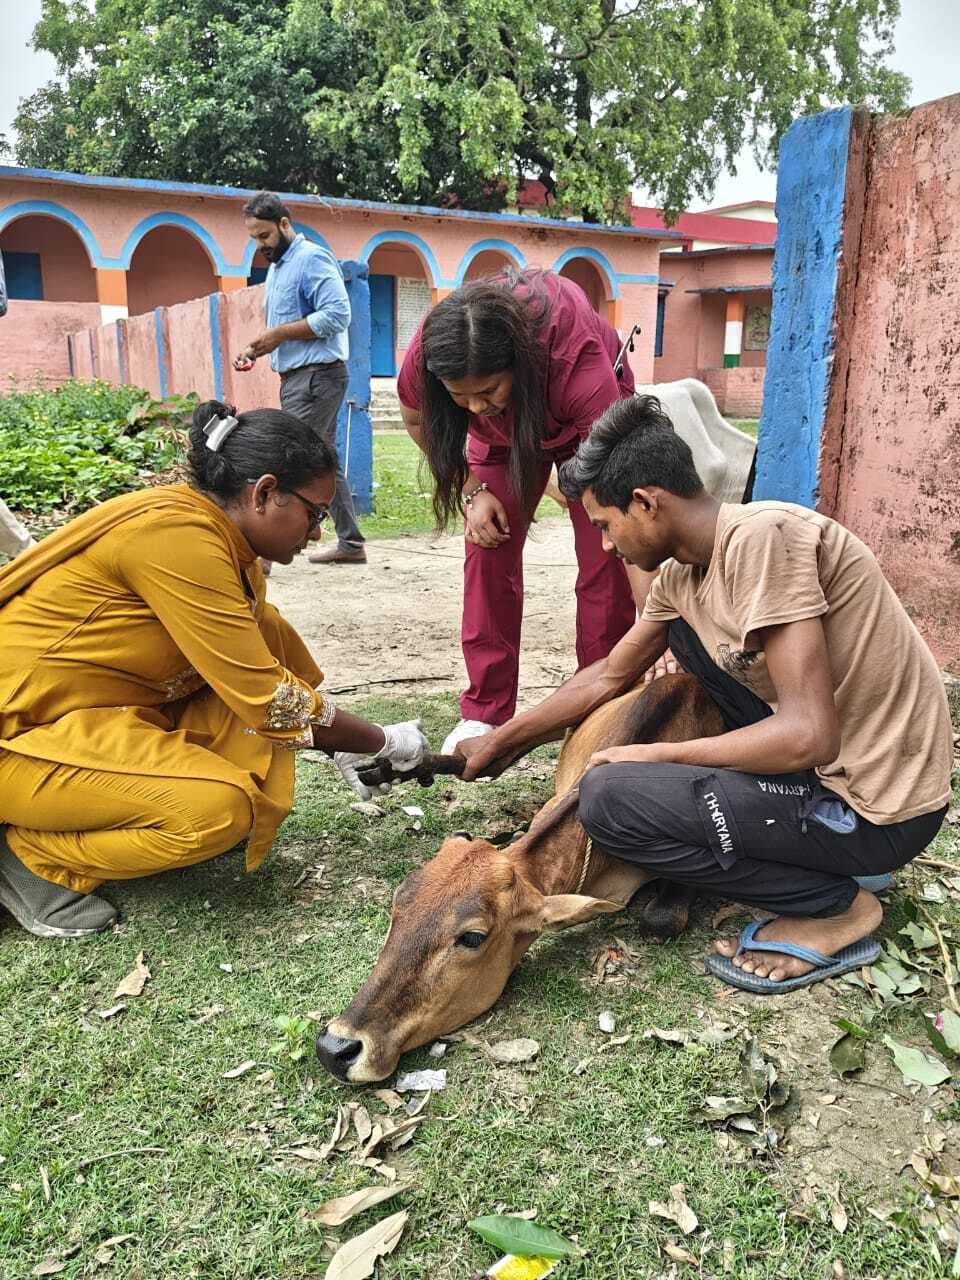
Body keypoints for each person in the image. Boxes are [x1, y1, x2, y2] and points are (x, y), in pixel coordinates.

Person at [456, 396, 952, 994]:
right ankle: (801, 846)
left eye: (605, 526)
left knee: (608, 800)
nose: (607, 548)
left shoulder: (764, 539)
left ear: (645, 501)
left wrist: (658, 756)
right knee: (685, 643)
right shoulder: (684, 575)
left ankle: (838, 905)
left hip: (876, 808)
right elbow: (611, 675)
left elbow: (809, 734)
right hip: (826, 772)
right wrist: (504, 740)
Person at [0, 400, 427, 940]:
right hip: (17, 737)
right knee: (216, 813)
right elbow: (268, 698)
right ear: (264, 492)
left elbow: (260, 664)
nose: (318, 533)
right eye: (315, 514)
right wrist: (377, 741)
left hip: (85, 718)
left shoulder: (219, 537)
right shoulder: (178, 538)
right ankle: (27, 854)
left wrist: (337, 738)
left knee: (264, 625)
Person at [398, 269, 638, 754]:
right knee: (487, 543)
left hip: (590, 437)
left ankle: (598, 701)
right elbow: (416, 416)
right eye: (459, 397)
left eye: (487, 392)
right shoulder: (432, 351)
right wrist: (471, 492)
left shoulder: (576, 361)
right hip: (503, 447)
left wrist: (656, 613)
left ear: (518, 363)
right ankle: (483, 711)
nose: (475, 407)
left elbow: (614, 496)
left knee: (605, 555)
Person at [234, 191, 366, 566]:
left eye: (264, 236)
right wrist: (261, 346)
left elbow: (338, 315)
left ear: (284, 224)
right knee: (325, 461)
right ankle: (352, 543)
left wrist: (279, 335)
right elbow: (288, 328)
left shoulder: (311, 259)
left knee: (286, 459)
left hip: (317, 378)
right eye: (254, 239)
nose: (260, 245)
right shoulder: (278, 267)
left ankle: (263, 556)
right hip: (298, 376)